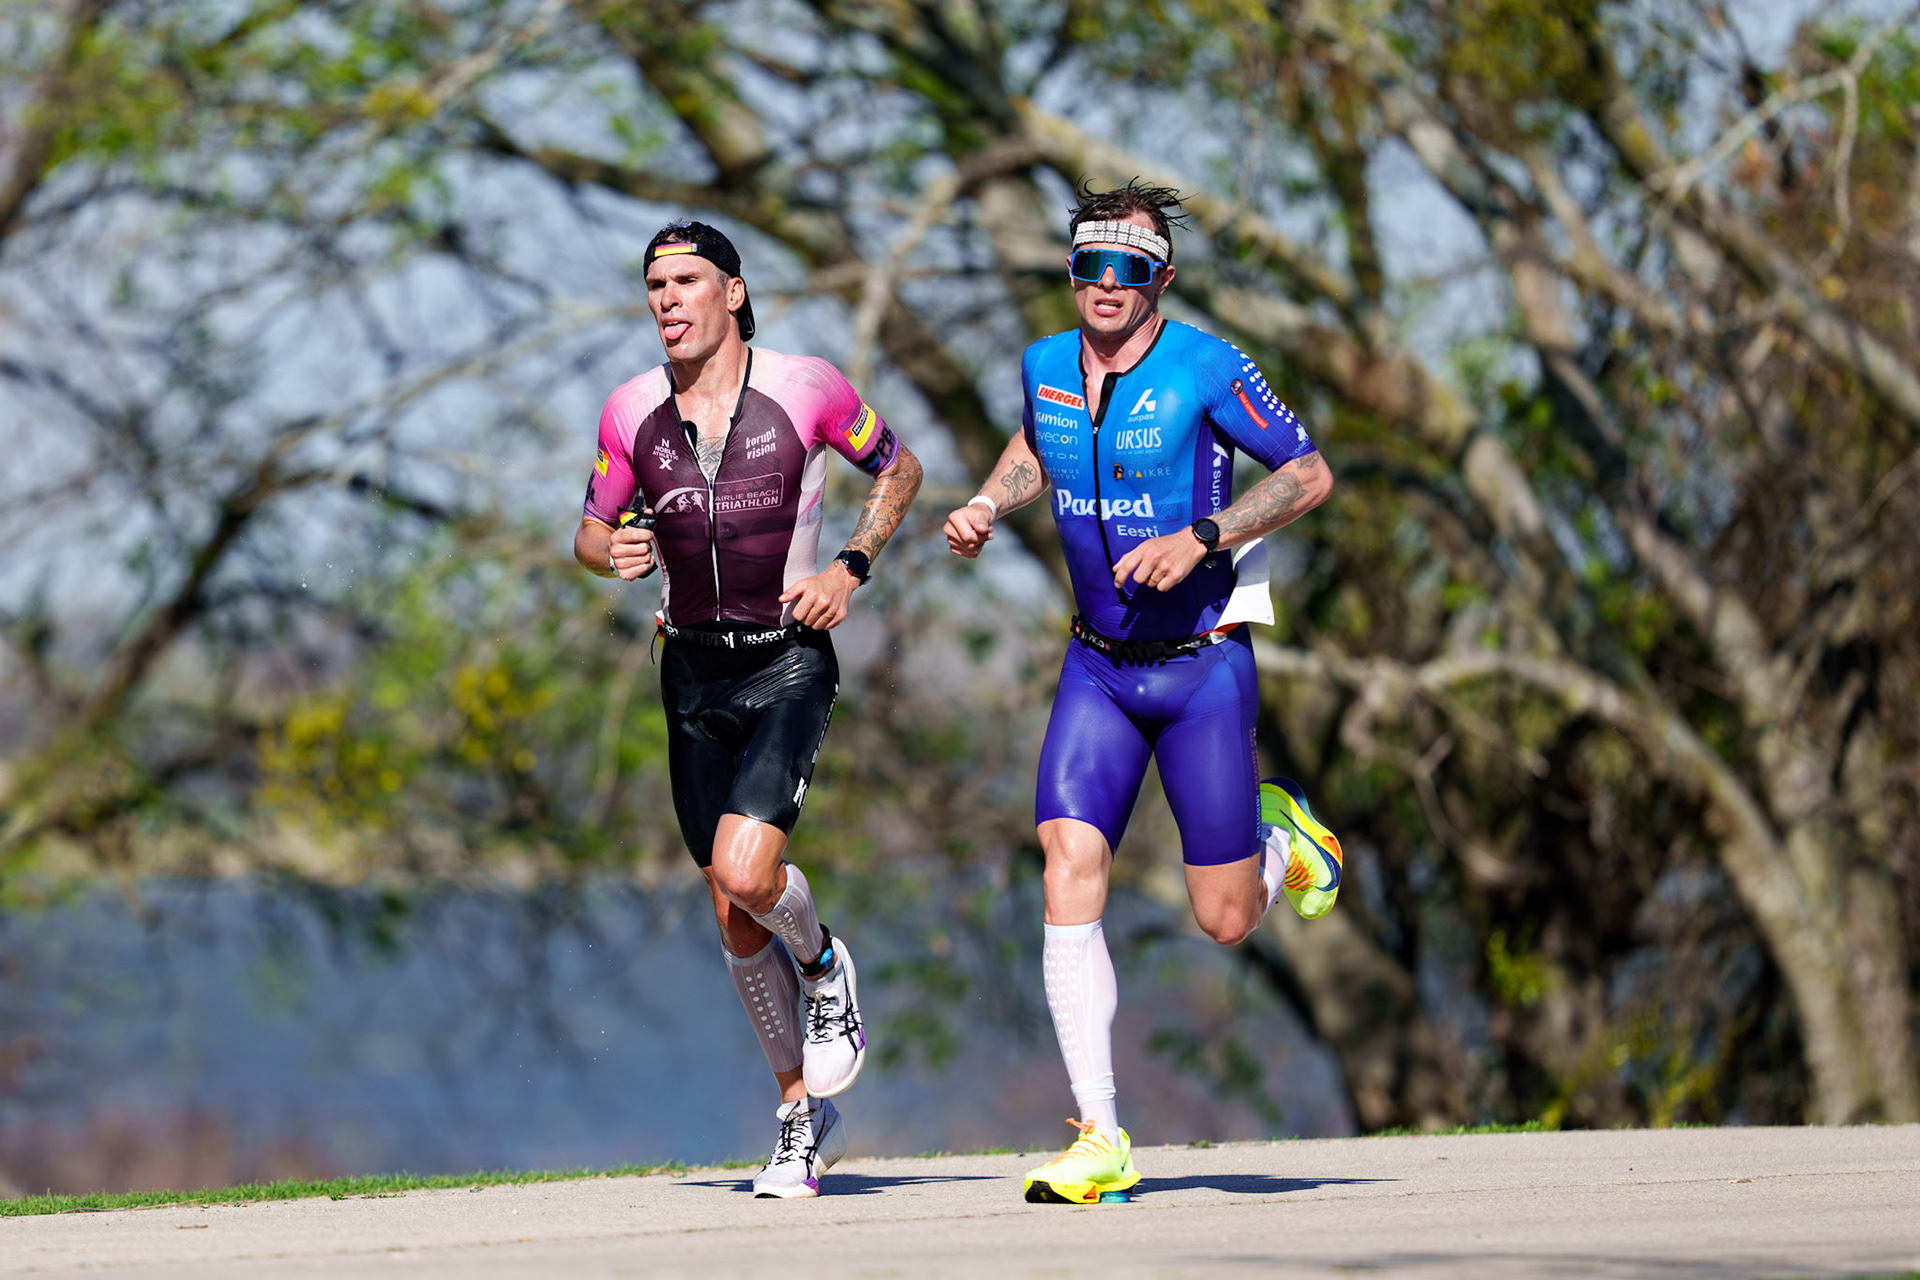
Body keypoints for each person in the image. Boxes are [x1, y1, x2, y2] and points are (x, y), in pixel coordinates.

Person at [942, 182, 1344, 1204]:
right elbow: (1034, 443)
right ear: (1071, 270)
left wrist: (1205, 536)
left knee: (1225, 919)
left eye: (1131, 268)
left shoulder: (1206, 364)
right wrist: (988, 500)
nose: (1108, 285)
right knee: (1067, 859)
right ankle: (1100, 1136)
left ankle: (1282, 836)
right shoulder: (1042, 364)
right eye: (1092, 265)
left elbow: (1308, 474)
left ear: (1161, 278)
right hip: (1097, 669)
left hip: (1202, 665)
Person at [575, 221, 923, 1198]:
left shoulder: (808, 387)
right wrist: (613, 553)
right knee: (732, 915)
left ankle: (823, 962)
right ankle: (801, 1120)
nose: (667, 299)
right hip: (690, 675)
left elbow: (900, 467)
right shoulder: (630, 410)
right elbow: (591, 534)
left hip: (786, 661)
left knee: (747, 868)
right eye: (654, 285)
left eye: (686, 280)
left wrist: (849, 567)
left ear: (732, 292)